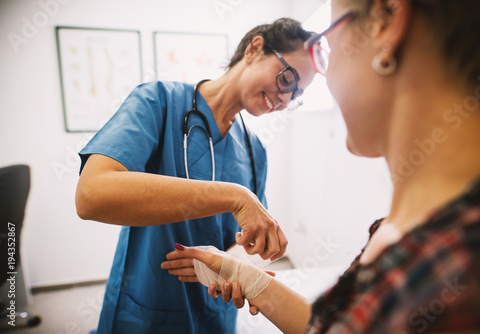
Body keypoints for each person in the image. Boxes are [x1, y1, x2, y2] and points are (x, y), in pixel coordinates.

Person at [163, 0, 480, 333]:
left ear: (387, 21)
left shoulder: (459, 276)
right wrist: (245, 276)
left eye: (328, 49)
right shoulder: (418, 236)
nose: (286, 100)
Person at [75, 18, 316, 334]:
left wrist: (242, 264)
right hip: (147, 307)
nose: (285, 100)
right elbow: (91, 196)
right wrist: (234, 195)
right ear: (255, 49)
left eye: (296, 95)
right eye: (288, 80)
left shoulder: (254, 149)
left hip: (215, 312)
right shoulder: (158, 102)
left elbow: (245, 243)